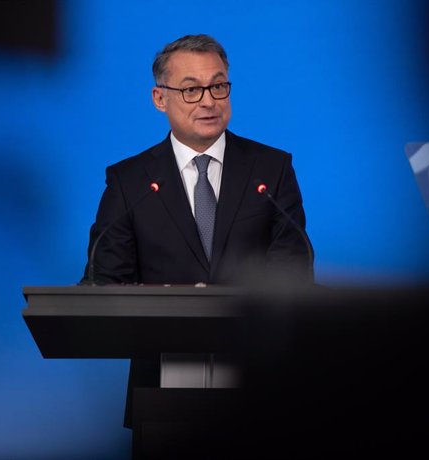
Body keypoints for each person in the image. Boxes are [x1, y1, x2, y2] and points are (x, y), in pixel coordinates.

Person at [80, 34, 313, 434]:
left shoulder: (270, 169)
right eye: (190, 89)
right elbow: (107, 278)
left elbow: (292, 268)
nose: (208, 100)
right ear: (160, 98)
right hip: (162, 392)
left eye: (218, 85)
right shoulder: (130, 181)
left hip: (259, 387)